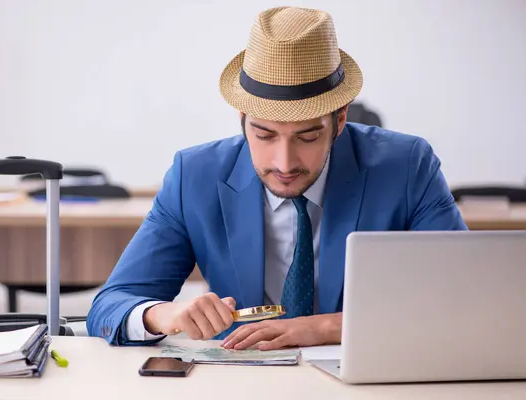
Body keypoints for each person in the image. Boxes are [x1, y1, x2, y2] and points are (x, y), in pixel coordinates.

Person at [86, 6, 467, 350]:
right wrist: (163, 315)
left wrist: (326, 328)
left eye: (308, 136)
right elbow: (110, 306)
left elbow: (462, 296)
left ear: (340, 119)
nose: (284, 162)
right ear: (241, 121)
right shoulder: (194, 175)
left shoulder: (407, 166)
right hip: (242, 380)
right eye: (264, 135)